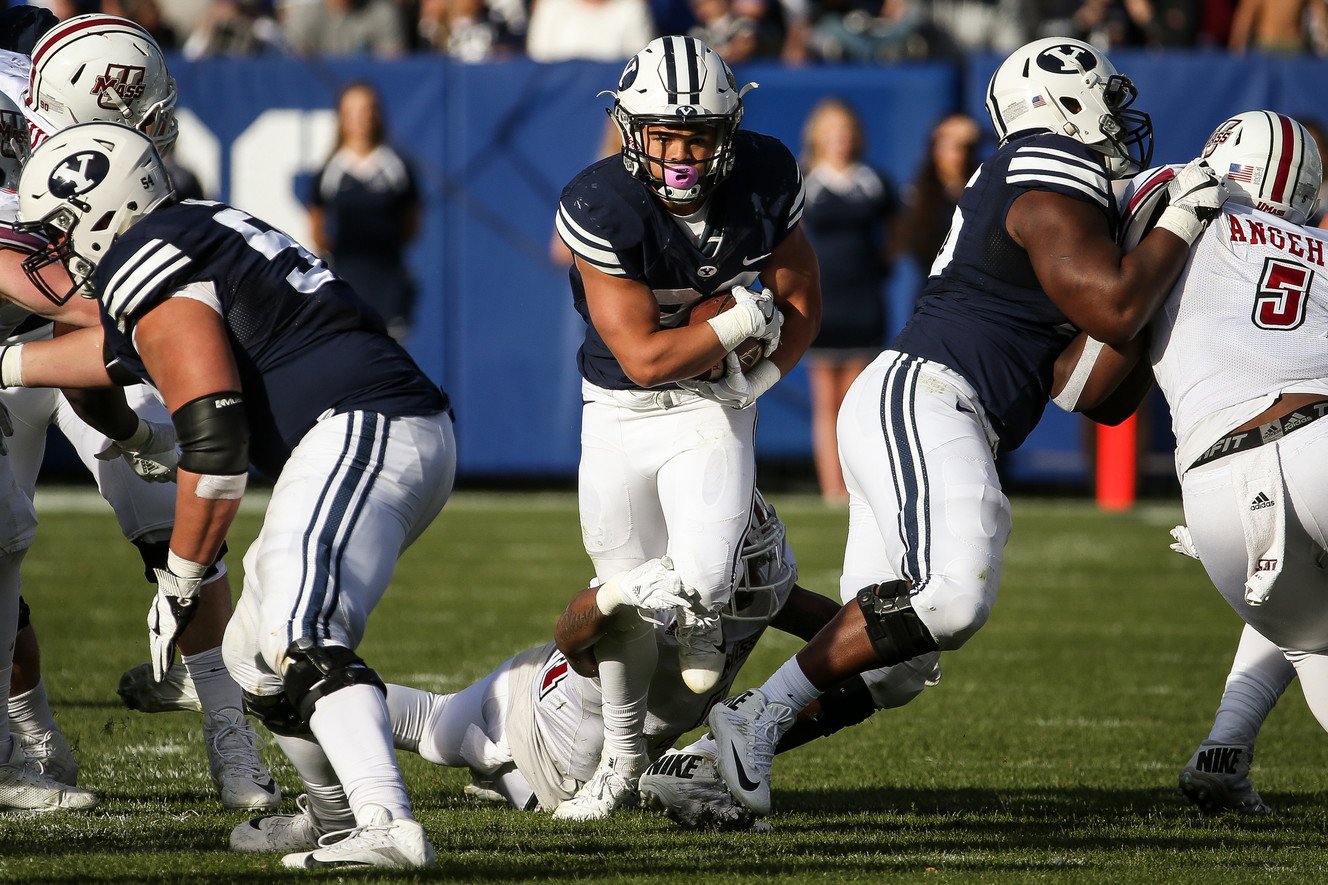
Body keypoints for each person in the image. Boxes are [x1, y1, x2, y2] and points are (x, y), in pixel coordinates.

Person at [704, 35, 1227, 818]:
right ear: (1060, 104)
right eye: (1108, 100)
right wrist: (1178, 224)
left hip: (935, 404)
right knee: (951, 597)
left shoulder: (1057, 190)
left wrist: (1163, 274)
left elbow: (1091, 391)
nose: (1121, 120)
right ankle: (750, 719)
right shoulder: (1045, 166)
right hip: (926, 395)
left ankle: (705, 753)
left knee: (893, 669)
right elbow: (1114, 303)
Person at [11, 122, 455, 870]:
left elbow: (217, 450)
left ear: (98, 211)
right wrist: (8, 362)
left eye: (56, 229)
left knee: (297, 629)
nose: (53, 250)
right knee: (252, 656)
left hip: (362, 421)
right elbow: (111, 353)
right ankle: (334, 815)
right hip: (363, 425)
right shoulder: (186, 232)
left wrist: (181, 576)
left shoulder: (143, 257)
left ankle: (385, 820)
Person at [227, 493, 938, 845]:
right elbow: (573, 629)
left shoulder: (760, 587)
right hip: (538, 728)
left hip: (558, 741)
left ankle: (284, 702)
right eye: (741, 558)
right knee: (442, 732)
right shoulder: (672, 590)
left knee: (434, 724)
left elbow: (837, 629)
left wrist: (909, 625)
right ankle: (286, 730)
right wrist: (619, 591)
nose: (755, 573)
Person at [0, 12, 278, 811]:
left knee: (167, 509)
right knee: (2, 541)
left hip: (93, 313)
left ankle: (232, 736)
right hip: (25, 320)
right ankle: (31, 735)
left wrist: (140, 428)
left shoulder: (43, 46)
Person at [551, 34, 820, 819]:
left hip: (712, 405)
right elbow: (639, 357)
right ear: (632, 131)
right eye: (665, 134)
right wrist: (736, 326)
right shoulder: (601, 201)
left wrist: (759, 373)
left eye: (697, 135)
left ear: (727, 132)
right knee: (624, 597)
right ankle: (622, 760)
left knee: (704, 577)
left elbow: (801, 300)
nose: (680, 153)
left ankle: (705, 623)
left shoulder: (766, 176)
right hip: (618, 411)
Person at [1055, 109, 1326, 818]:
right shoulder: (1319, 248)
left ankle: (1227, 745)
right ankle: (1226, 744)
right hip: (1320, 437)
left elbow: (1085, 388)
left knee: (1314, 639)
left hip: (1213, 487)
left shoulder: (1172, 195)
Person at [799, 98, 898, 504]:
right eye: (831, 130)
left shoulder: (874, 181)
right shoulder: (804, 181)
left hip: (863, 299)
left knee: (857, 400)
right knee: (826, 400)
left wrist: (880, 264)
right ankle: (831, 488)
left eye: (847, 130)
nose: (840, 139)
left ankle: (857, 486)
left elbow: (899, 231)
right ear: (817, 136)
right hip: (821, 300)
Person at [308, 80, 421, 342]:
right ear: (341, 118)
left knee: (391, 360)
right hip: (346, 283)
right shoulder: (330, 171)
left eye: (368, 109)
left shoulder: (397, 168)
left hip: (388, 283)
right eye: (353, 111)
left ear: (378, 114)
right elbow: (316, 228)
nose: (362, 118)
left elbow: (412, 226)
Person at [892, 112, 982, 275]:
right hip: (934, 287)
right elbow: (915, 246)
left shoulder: (984, 190)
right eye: (949, 144)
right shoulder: (917, 195)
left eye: (964, 146)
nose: (957, 154)